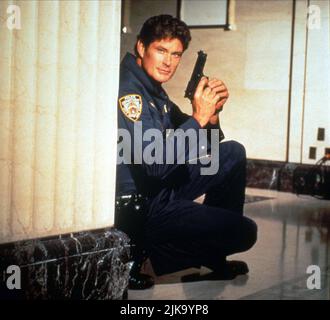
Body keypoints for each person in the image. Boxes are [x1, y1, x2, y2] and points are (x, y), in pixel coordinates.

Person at [116, 15, 257, 286]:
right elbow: (154, 162)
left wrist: (211, 115)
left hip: (157, 188)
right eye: (161, 50)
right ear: (141, 48)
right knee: (244, 232)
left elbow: (207, 143)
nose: (169, 62)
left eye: (176, 54)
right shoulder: (130, 94)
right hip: (139, 206)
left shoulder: (153, 90)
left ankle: (214, 258)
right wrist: (198, 118)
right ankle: (144, 255)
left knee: (233, 153)